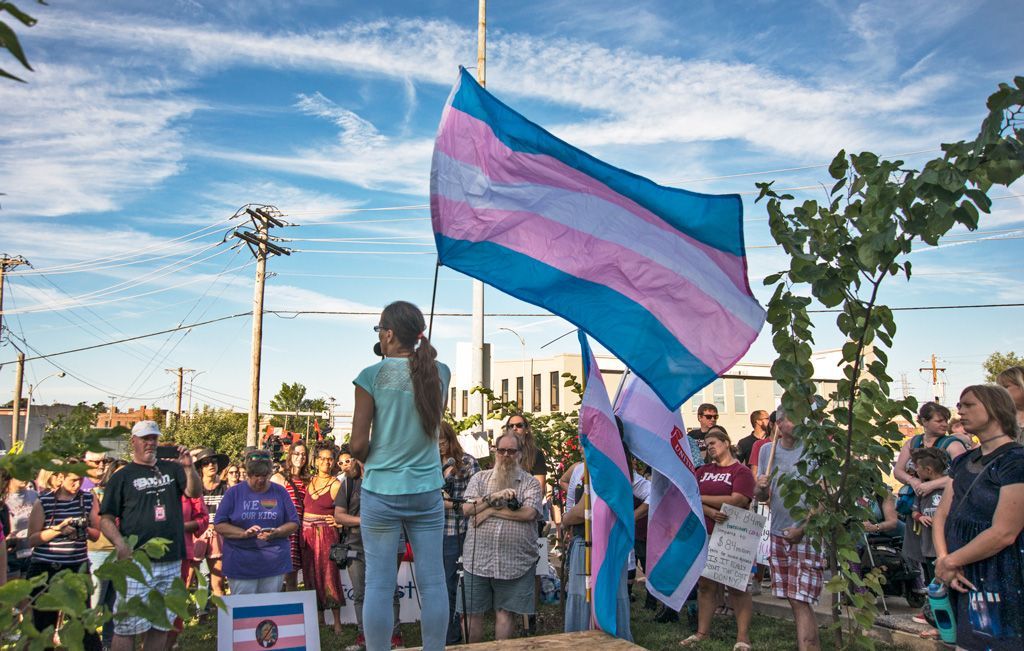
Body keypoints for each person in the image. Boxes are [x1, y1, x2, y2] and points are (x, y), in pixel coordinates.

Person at [350, 300, 452, 651]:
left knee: (378, 584)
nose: (379, 335)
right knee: (433, 581)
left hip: (381, 490)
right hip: (426, 491)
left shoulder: (370, 376)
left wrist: (358, 455)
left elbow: (358, 444)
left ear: (389, 333)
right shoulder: (441, 372)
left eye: (380, 329)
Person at [933, 385, 1024, 650]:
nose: (959, 410)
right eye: (959, 405)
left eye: (969, 404)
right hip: (959, 577)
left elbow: (1004, 533)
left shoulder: (1015, 461)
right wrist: (943, 562)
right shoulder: (963, 461)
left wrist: (950, 560)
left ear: (995, 409)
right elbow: (943, 513)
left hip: (1001, 581)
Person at [99, 420, 201, 651]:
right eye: (145, 438)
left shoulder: (172, 468)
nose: (150, 443)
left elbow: (194, 492)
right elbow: (106, 518)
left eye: (154, 438)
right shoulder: (122, 476)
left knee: (161, 624)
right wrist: (120, 544)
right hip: (137, 561)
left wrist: (188, 467)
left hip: (171, 558)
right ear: (133, 441)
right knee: (126, 626)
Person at [458, 431, 543, 642]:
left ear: (520, 454)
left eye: (511, 451)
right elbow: (468, 509)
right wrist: (493, 498)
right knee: (471, 613)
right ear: (495, 452)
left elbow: (529, 513)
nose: (506, 455)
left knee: (505, 613)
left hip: (515, 562)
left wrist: (489, 511)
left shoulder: (530, 483)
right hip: (477, 560)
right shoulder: (479, 478)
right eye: (501, 450)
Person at [756, 405, 824, 651]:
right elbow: (762, 496)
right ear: (780, 424)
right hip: (778, 532)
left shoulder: (813, 451)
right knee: (794, 600)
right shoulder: (767, 451)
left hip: (805, 535)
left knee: (801, 598)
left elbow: (824, 498)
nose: (799, 423)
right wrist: (761, 487)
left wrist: (802, 529)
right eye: (794, 419)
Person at [681, 427, 756, 649]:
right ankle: (702, 632)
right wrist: (710, 511)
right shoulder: (702, 471)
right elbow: (689, 497)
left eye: (713, 442)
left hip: (732, 534)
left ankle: (743, 637)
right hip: (705, 531)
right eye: (707, 444)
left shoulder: (740, 471)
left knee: (736, 586)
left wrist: (701, 498)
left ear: (726, 442)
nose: (710, 447)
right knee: (705, 585)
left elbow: (738, 500)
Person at [334, 444, 405, 651]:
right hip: (355, 543)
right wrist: (364, 520)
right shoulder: (349, 481)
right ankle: (363, 636)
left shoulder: (389, 480)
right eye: (362, 456)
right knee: (360, 593)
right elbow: (338, 515)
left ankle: (395, 637)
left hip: (385, 542)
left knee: (390, 590)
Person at [27, 460, 102, 651]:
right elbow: (32, 539)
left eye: (81, 480)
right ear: (60, 478)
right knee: (44, 626)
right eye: (73, 480)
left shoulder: (87, 499)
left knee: (84, 622)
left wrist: (84, 528)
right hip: (46, 568)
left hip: (76, 567)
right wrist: (58, 530)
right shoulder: (43, 501)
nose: (77, 485)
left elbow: (96, 534)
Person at [215, 449, 299, 594]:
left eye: (265, 476)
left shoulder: (280, 492)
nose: (260, 480)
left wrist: (277, 532)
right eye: (256, 475)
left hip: (274, 562)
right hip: (241, 563)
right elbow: (219, 524)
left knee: (268, 609)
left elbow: (294, 523)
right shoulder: (234, 493)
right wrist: (243, 533)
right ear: (247, 474)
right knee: (244, 609)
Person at [439, 421, 480, 645]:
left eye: (442, 442)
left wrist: (449, 504)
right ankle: (445, 635)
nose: (439, 447)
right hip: (434, 532)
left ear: (450, 439)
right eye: (434, 443)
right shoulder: (427, 463)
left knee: (454, 585)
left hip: (461, 530)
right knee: (440, 586)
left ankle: (456, 636)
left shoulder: (467, 462)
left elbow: (476, 497)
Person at [905, 447, 949, 640]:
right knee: (934, 587)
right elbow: (914, 511)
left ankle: (946, 625)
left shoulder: (948, 488)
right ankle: (937, 623)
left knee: (945, 588)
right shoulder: (922, 490)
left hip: (946, 549)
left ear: (928, 470)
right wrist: (920, 516)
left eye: (918, 468)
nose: (916, 471)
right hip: (928, 548)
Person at [302, 442, 345, 634]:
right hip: (307, 535)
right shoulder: (308, 482)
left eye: (330, 459)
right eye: (322, 458)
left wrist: (338, 521)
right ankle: (319, 620)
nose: (326, 462)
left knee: (329, 575)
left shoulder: (335, 484)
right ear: (316, 461)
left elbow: (345, 511)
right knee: (310, 576)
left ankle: (337, 623)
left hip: (326, 534)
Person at [893, 402, 965, 507]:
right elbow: (898, 471)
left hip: (945, 503)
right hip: (916, 504)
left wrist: (931, 485)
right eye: (939, 421)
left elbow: (963, 475)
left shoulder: (953, 444)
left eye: (946, 421)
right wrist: (913, 481)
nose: (945, 424)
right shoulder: (913, 443)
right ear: (924, 421)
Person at [271, 441, 308, 592]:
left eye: (304, 454)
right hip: (283, 533)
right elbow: (268, 505)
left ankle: (289, 614)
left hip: (300, 533)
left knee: (292, 579)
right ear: (290, 455)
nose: (300, 457)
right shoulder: (279, 478)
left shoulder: (308, 480)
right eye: (297, 453)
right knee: (277, 579)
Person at [192, 447, 229, 598]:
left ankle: (221, 619)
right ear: (201, 467)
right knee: (187, 579)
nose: (211, 465)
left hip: (218, 536)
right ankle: (184, 617)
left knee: (218, 584)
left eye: (214, 461)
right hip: (197, 534)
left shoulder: (225, 488)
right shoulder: (194, 488)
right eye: (206, 463)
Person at [3, 469, 38, 580]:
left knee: (30, 593)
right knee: (14, 593)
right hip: (12, 552)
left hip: (32, 551)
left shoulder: (35, 495)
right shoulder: (4, 499)